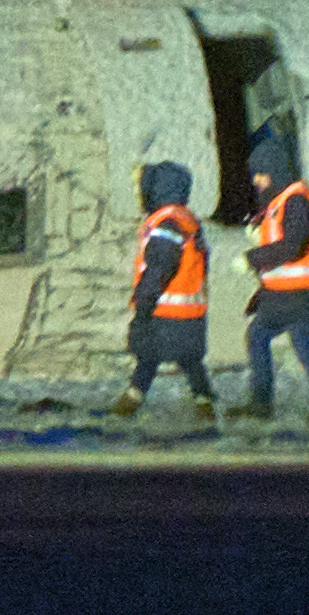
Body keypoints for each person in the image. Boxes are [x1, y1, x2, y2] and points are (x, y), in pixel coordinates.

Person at [235, 130, 309, 426]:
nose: (256, 181)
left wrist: (252, 258)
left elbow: (294, 245)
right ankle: (265, 404)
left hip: (304, 292)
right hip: (288, 291)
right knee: (264, 337)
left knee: (303, 345)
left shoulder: (297, 200)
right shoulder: (281, 200)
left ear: (275, 172)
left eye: (260, 174)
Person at [111, 160, 214, 421]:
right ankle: (204, 402)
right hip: (191, 309)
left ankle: (131, 401)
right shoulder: (186, 219)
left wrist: (143, 302)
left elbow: (159, 266)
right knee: (189, 360)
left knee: (148, 355)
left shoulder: (167, 224)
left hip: (165, 308)